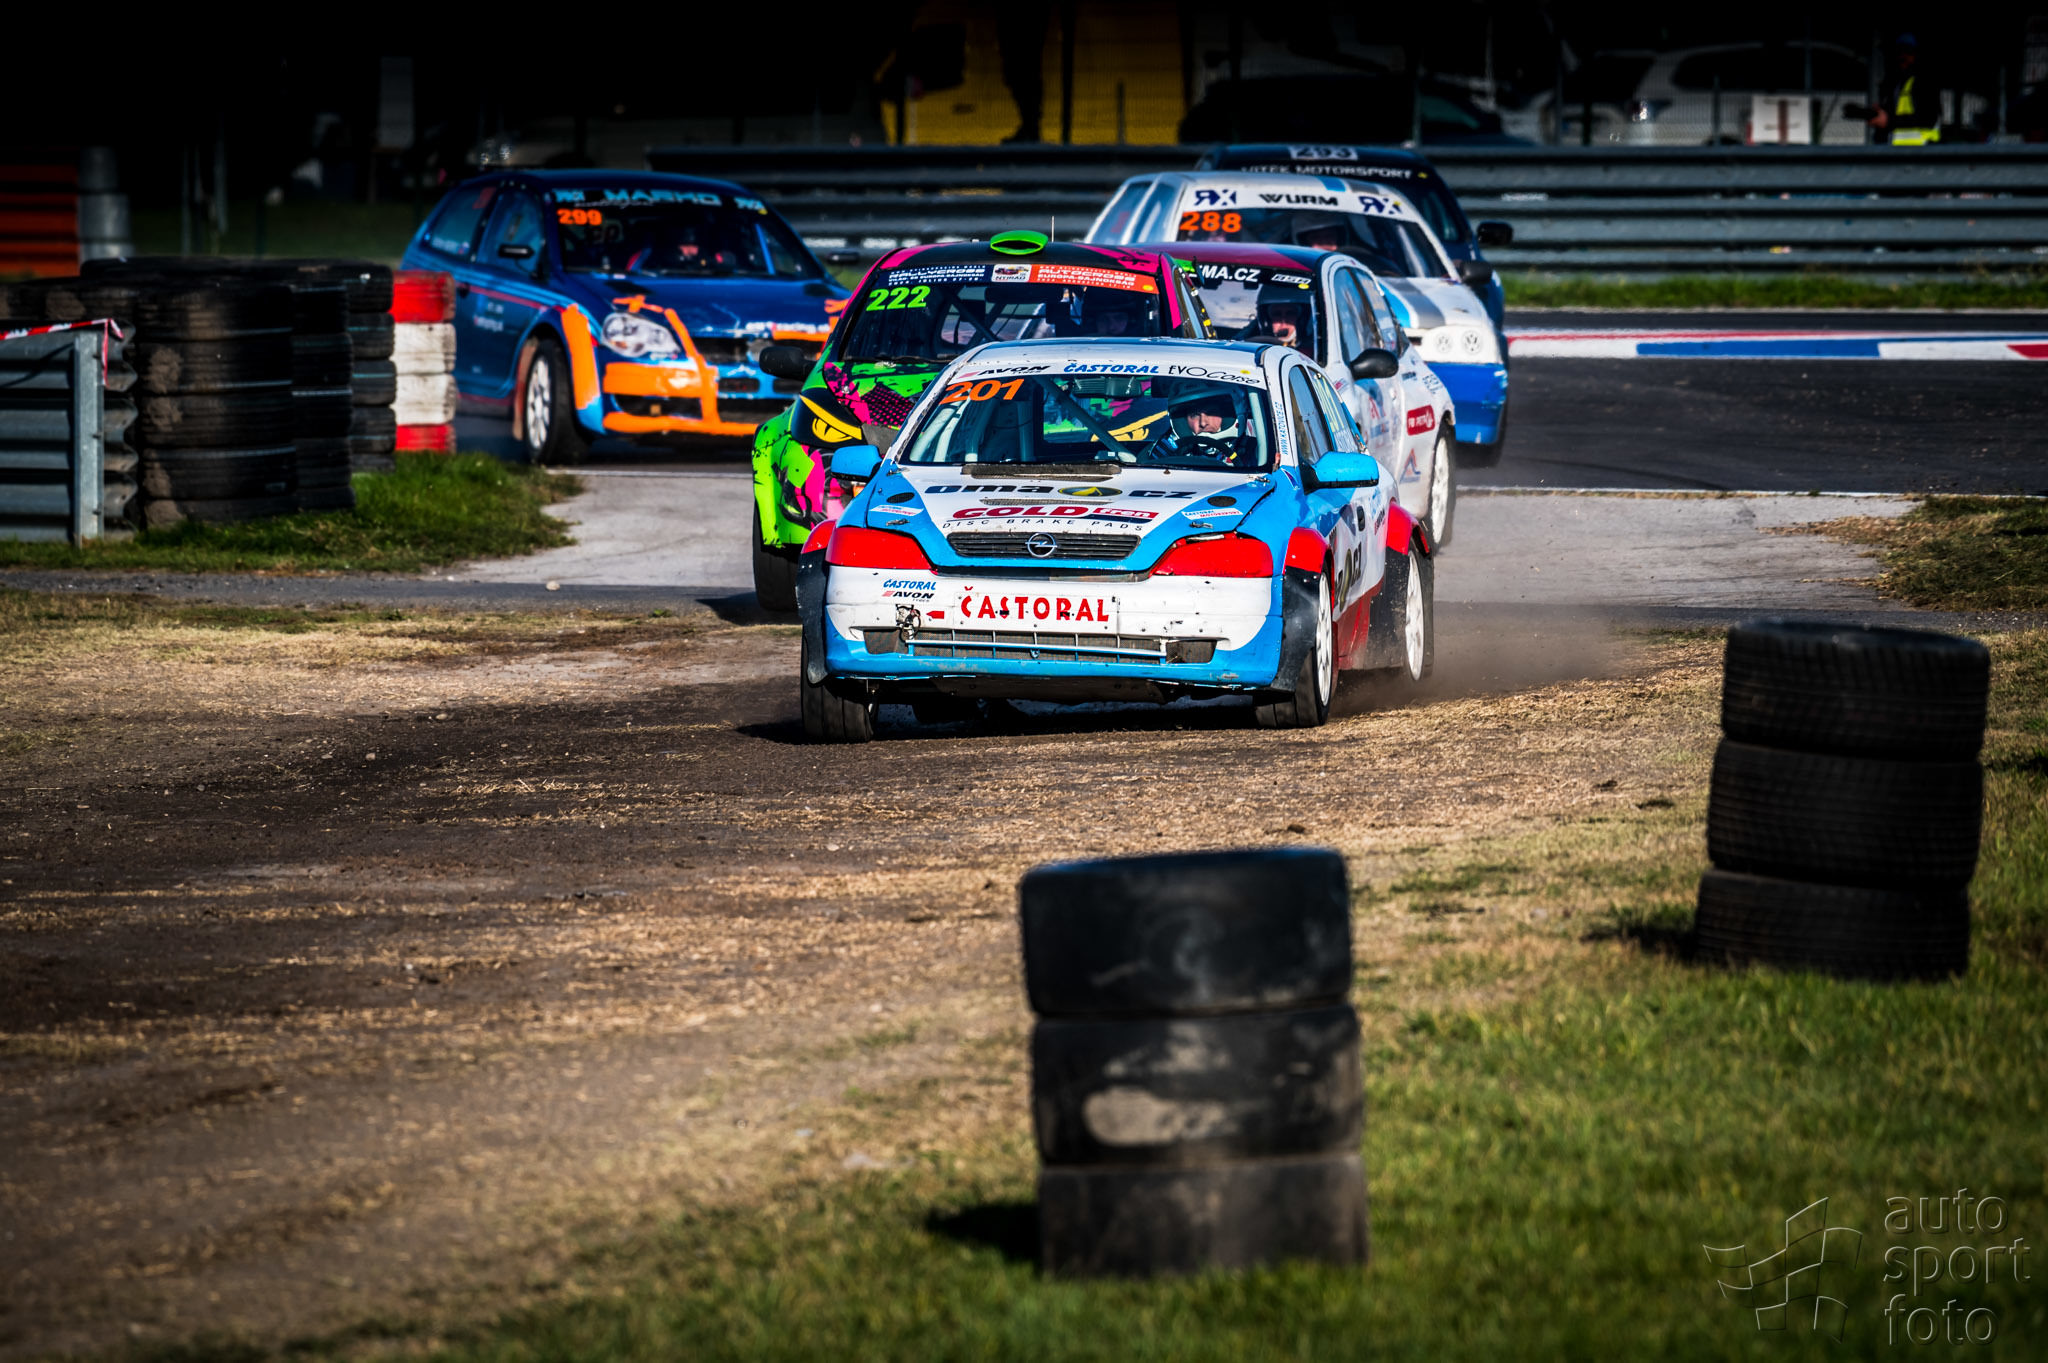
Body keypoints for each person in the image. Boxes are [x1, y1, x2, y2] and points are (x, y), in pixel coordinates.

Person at [1865, 33, 1941, 146]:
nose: (1902, 56)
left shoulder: (1924, 81)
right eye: (1899, 52)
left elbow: (1928, 118)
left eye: (1908, 51)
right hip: (1899, 151)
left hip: (1923, 151)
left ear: (1916, 54)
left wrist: (1888, 120)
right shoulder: (1896, 84)